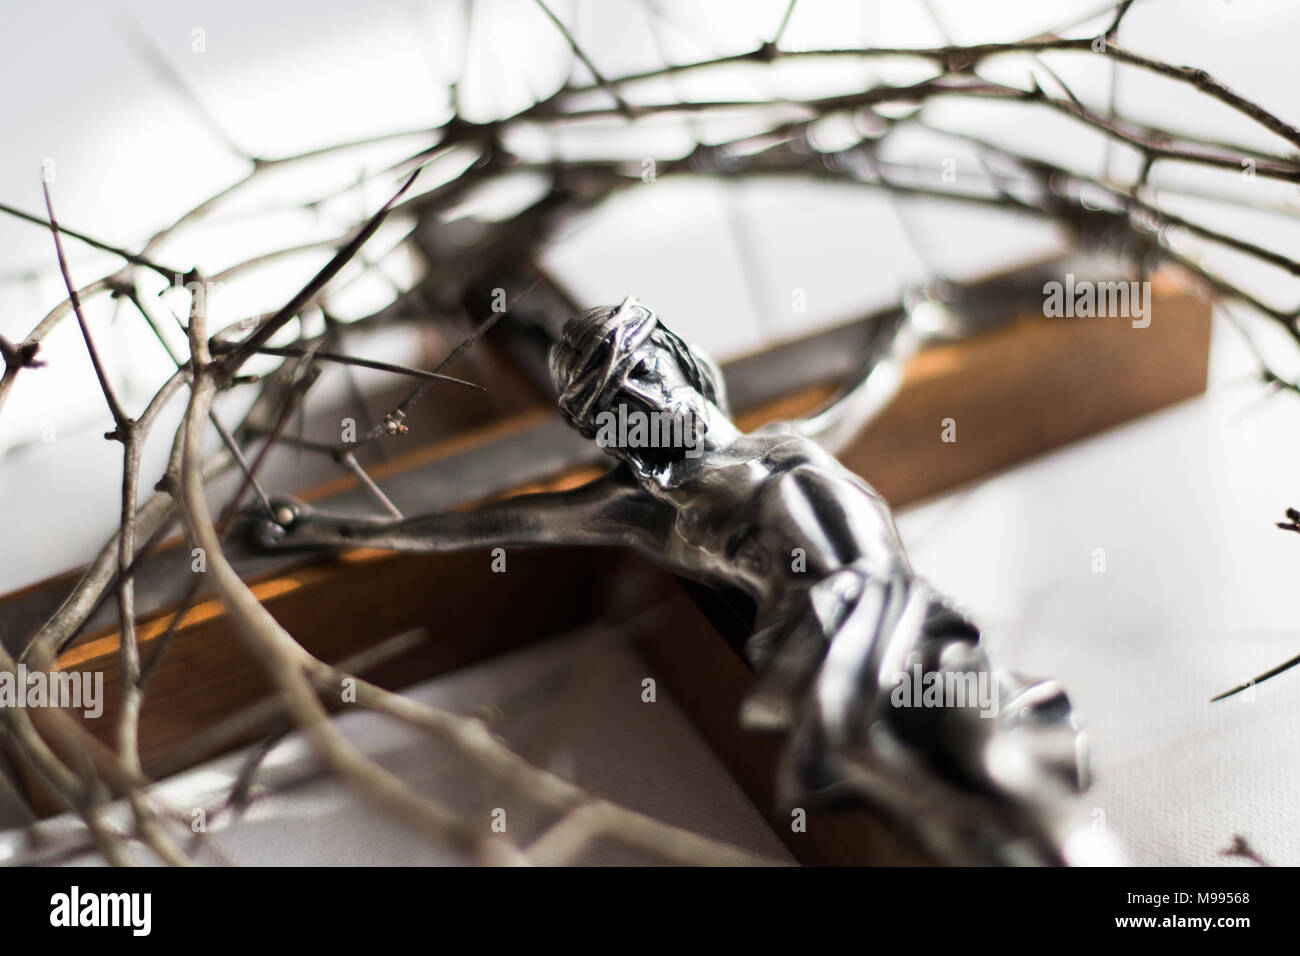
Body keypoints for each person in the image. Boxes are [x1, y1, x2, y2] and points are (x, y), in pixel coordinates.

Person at [251, 296, 1120, 865]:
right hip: (830, 653)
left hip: (913, 616)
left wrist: (911, 325)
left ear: (679, 360)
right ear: (609, 431)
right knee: (961, 793)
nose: (639, 397)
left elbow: (866, 385)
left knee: (1001, 763)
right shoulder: (650, 512)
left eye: (641, 372)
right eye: (612, 402)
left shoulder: (784, 436)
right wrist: (333, 526)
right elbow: (488, 525)